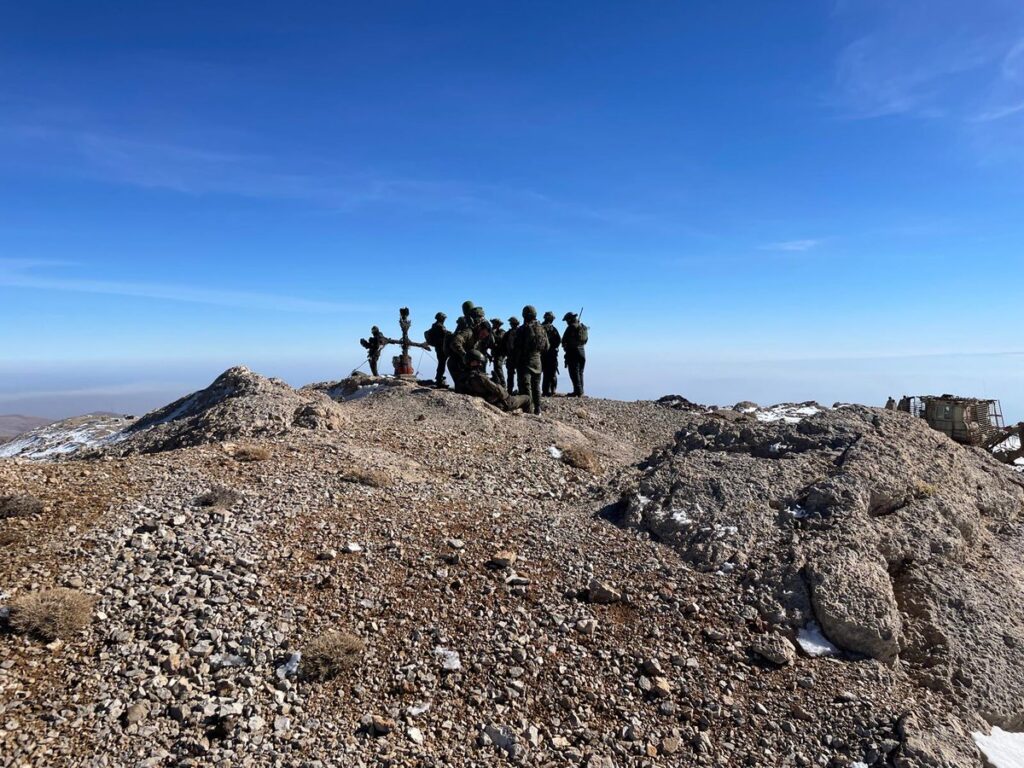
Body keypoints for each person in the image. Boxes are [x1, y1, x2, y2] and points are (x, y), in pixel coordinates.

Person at [463, 351, 532, 412]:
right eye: (478, 362)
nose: (480, 364)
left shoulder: (465, 376)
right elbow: (499, 391)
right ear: (472, 362)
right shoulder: (480, 377)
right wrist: (498, 383)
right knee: (527, 398)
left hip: (488, 401)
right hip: (500, 403)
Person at [513, 305, 548, 415]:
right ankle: (538, 409)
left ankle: (528, 410)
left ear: (524, 315)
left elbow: (517, 347)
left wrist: (515, 361)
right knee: (536, 386)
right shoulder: (542, 328)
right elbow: (547, 346)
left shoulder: (522, 329)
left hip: (525, 361)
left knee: (525, 387)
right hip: (537, 361)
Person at [448, 311, 492, 393]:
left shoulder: (478, 340)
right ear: (479, 328)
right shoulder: (468, 332)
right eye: (482, 333)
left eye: (485, 336)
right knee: (461, 388)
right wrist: (465, 356)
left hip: (465, 365)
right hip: (456, 363)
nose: (483, 336)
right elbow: (455, 342)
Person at [561, 312, 589, 397]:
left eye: (567, 320)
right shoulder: (582, 327)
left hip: (573, 352)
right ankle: (580, 391)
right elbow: (586, 340)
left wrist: (566, 347)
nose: (566, 322)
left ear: (569, 319)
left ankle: (577, 392)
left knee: (574, 372)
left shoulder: (571, 327)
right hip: (582, 351)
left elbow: (563, 340)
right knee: (580, 372)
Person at [425, 312, 450, 388]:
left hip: (438, 348)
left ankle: (439, 378)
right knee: (442, 364)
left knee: (441, 363)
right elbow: (446, 334)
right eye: (444, 318)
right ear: (441, 318)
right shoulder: (439, 326)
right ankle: (439, 380)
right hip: (441, 348)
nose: (444, 320)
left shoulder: (434, 326)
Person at [541, 311, 561, 396]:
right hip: (551, 353)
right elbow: (559, 340)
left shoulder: (540, 327)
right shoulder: (552, 328)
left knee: (545, 372)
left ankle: (546, 391)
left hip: (542, 353)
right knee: (552, 372)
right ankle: (552, 390)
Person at [489, 318, 507, 389]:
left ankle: (503, 385)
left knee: (498, 369)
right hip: (495, 353)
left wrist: (492, 332)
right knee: (496, 369)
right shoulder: (493, 332)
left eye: (494, 324)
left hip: (500, 353)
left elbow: (499, 339)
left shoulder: (502, 331)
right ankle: (498, 384)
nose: (493, 325)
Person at [504, 317, 520, 393]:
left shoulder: (521, 331)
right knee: (511, 375)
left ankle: (513, 390)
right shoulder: (509, 333)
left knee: (518, 375)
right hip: (512, 356)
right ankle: (510, 390)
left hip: (517, 356)